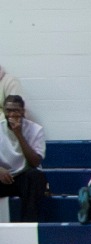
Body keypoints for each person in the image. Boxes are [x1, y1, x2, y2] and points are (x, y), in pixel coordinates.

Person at [0, 94, 49, 222]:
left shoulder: (36, 130)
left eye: (15, 110)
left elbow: (35, 162)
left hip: (23, 177)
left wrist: (19, 134)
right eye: (8, 110)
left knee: (36, 177)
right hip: (3, 176)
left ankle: (28, 225)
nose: (11, 114)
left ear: (22, 111)